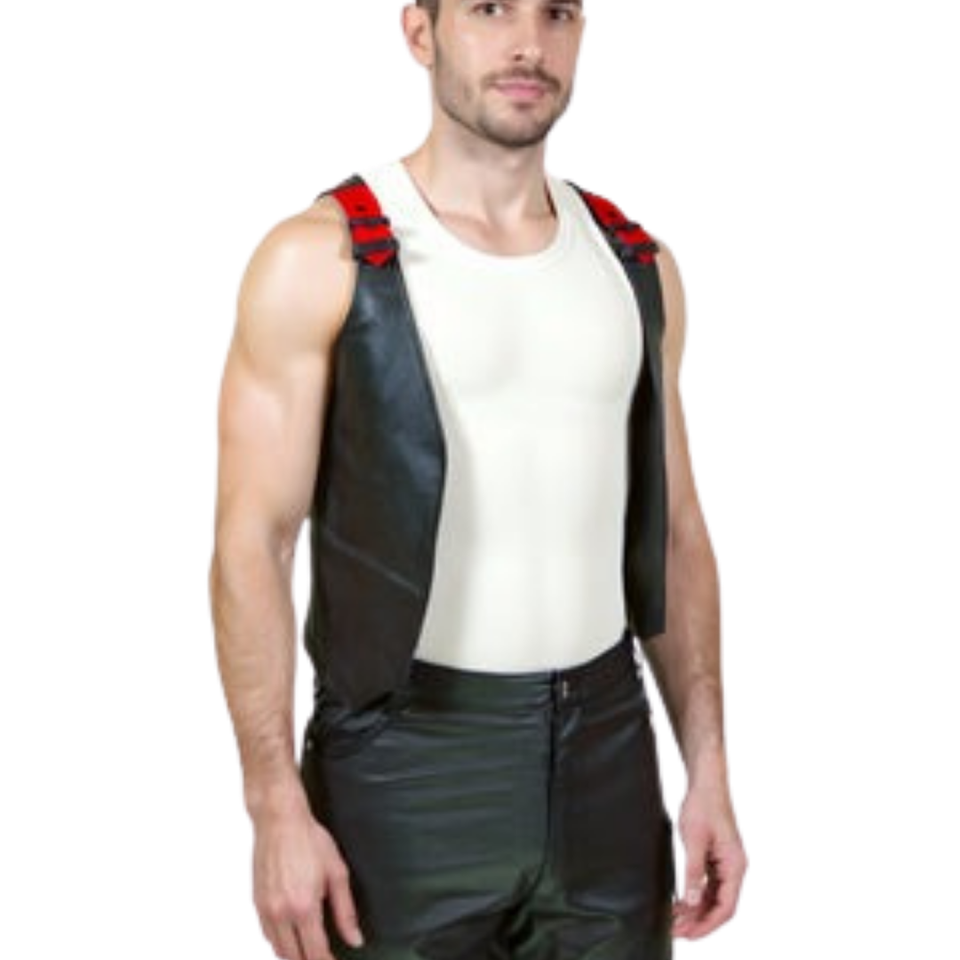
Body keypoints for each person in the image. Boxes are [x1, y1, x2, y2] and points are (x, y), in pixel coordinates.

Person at [209, 2, 747, 958]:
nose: (528, 43)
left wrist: (707, 767)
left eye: (556, 13)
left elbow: (675, 532)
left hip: (607, 755)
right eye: (490, 8)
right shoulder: (318, 257)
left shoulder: (636, 265)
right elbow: (253, 542)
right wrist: (273, 804)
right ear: (420, 33)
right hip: (404, 766)